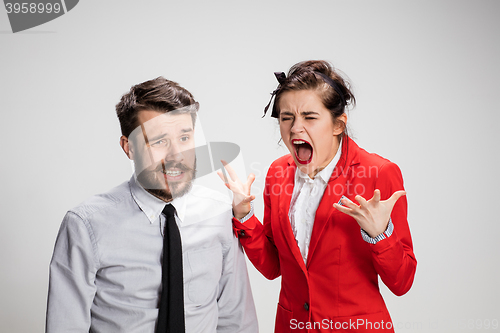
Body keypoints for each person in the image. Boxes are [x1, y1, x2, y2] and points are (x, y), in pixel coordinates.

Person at [46, 77, 258, 333]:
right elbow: (65, 326)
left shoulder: (220, 214)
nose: (175, 156)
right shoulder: (86, 225)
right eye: (158, 141)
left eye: (184, 138)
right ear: (129, 147)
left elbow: (237, 321)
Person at [219, 60, 417, 332]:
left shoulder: (378, 173)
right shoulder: (278, 173)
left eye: (309, 117)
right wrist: (244, 215)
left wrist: (380, 234)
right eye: (287, 117)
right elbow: (273, 266)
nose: (295, 128)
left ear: (338, 125)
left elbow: (402, 282)